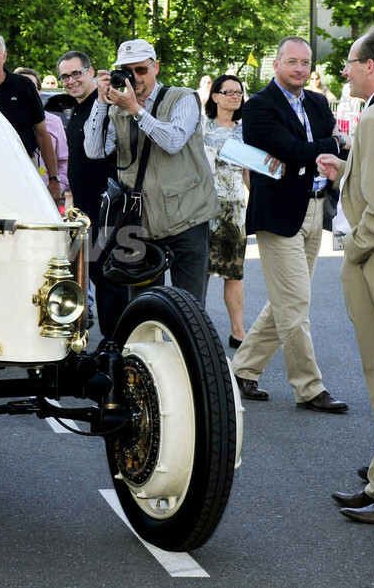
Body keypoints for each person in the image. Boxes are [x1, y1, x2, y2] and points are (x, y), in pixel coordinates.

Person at [317, 23, 374, 523]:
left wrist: (352, 248)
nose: (344, 71)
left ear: (371, 66)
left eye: (350, 63)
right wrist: (346, 172)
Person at [231, 36, 349, 412]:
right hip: (278, 214)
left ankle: (243, 369)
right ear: (277, 64)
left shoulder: (318, 102)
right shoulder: (258, 106)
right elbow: (295, 151)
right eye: (292, 61)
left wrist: (322, 147)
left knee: (286, 301)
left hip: (315, 209)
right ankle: (309, 387)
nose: (300, 69)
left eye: (305, 62)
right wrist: (330, 144)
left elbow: (318, 151)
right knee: (295, 302)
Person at [83, 38, 218, 304]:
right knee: (142, 305)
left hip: (188, 217)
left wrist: (135, 110)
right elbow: (94, 151)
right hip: (138, 221)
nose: (134, 77)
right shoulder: (116, 108)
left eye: (141, 69)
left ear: (155, 67)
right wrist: (100, 102)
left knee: (189, 306)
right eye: (127, 71)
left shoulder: (183, 97)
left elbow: (173, 141)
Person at [57, 51, 124, 336]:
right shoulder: (78, 108)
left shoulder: (105, 104)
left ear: (91, 72)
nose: (71, 80)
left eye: (76, 73)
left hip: (107, 208)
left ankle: (115, 345)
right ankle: (111, 343)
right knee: (98, 275)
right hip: (86, 209)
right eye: (65, 76)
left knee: (108, 278)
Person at [0, 34, 62, 202]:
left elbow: (42, 133)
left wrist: (53, 180)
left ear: (4, 56)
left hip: (24, 168)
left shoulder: (24, 86)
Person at [202, 74, 250, 349]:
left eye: (238, 92)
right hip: (201, 209)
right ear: (215, 96)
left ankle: (238, 331)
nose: (235, 96)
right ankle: (194, 330)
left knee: (233, 273)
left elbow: (248, 174)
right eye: (228, 92)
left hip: (233, 211)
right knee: (200, 273)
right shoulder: (201, 127)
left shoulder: (245, 131)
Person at [13, 66, 69, 197]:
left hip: (47, 196)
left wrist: (57, 186)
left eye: (31, 87)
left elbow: (65, 161)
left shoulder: (54, 122)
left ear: (39, 91)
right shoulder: (2, 120)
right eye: (20, 87)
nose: (26, 92)